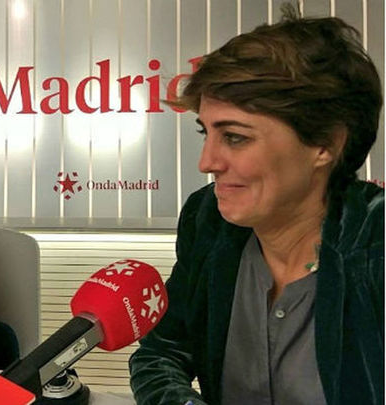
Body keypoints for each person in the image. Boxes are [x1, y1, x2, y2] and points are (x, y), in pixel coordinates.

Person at [129, 6, 383, 405]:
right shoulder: (207, 221)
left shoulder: (376, 244)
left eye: (234, 137)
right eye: (206, 133)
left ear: (326, 144)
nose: (206, 162)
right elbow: (161, 353)